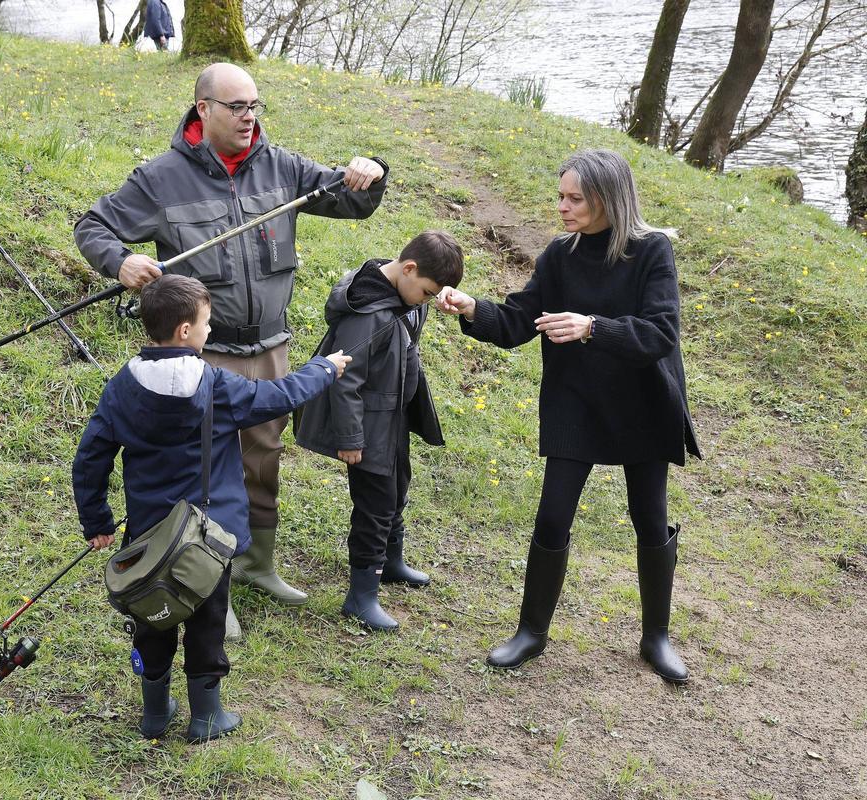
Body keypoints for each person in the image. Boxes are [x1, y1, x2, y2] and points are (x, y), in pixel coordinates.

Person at [74, 62, 387, 636]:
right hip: (203, 354)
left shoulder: (282, 165)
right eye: (236, 107)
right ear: (203, 109)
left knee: (263, 454)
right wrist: (120, 262)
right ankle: (202, 577)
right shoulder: (160, 178)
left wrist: (371, 172)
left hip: (269, 342)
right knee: (206, 468)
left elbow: (351, 201)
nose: (249, 118)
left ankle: (256, 563)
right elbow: (92, 225)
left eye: (255, 106)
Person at [437, 148, 700, 684]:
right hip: (576, 401)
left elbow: (660, 334)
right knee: (553, 515)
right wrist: (474, 309)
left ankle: (656, 637)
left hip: (643, 403)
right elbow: (518, 322)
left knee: (649, 519)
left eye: (574, 198)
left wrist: (592, 327)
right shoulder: (560, 255)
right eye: (561, 195)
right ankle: (531, 632)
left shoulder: (652, 252)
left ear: (607, 198)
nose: (562, 206)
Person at [72, 274, 350, 742]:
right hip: (209, 537)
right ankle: (206, 716)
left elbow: (91, 456)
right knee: (206, 620)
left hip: (148, 534)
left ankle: (155, 713)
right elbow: (278, 396)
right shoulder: (216, 384)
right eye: (205, 322)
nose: (209, 328)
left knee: (152, 615)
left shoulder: (122, 386)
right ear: (184, 331)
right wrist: (323, 369)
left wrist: (97, 520)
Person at [295, 231, 463, 630]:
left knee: (398, 486)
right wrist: (351, 438)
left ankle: (391, 561)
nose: (426, 299)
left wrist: (432, 299)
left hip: (393, 417)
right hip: (367, 428)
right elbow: (344, 379)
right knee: (375, 505)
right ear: (408, 269)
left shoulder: (404, 294)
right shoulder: (370, 314)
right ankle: (361, 595)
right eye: (425, 292)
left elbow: (409, 325)